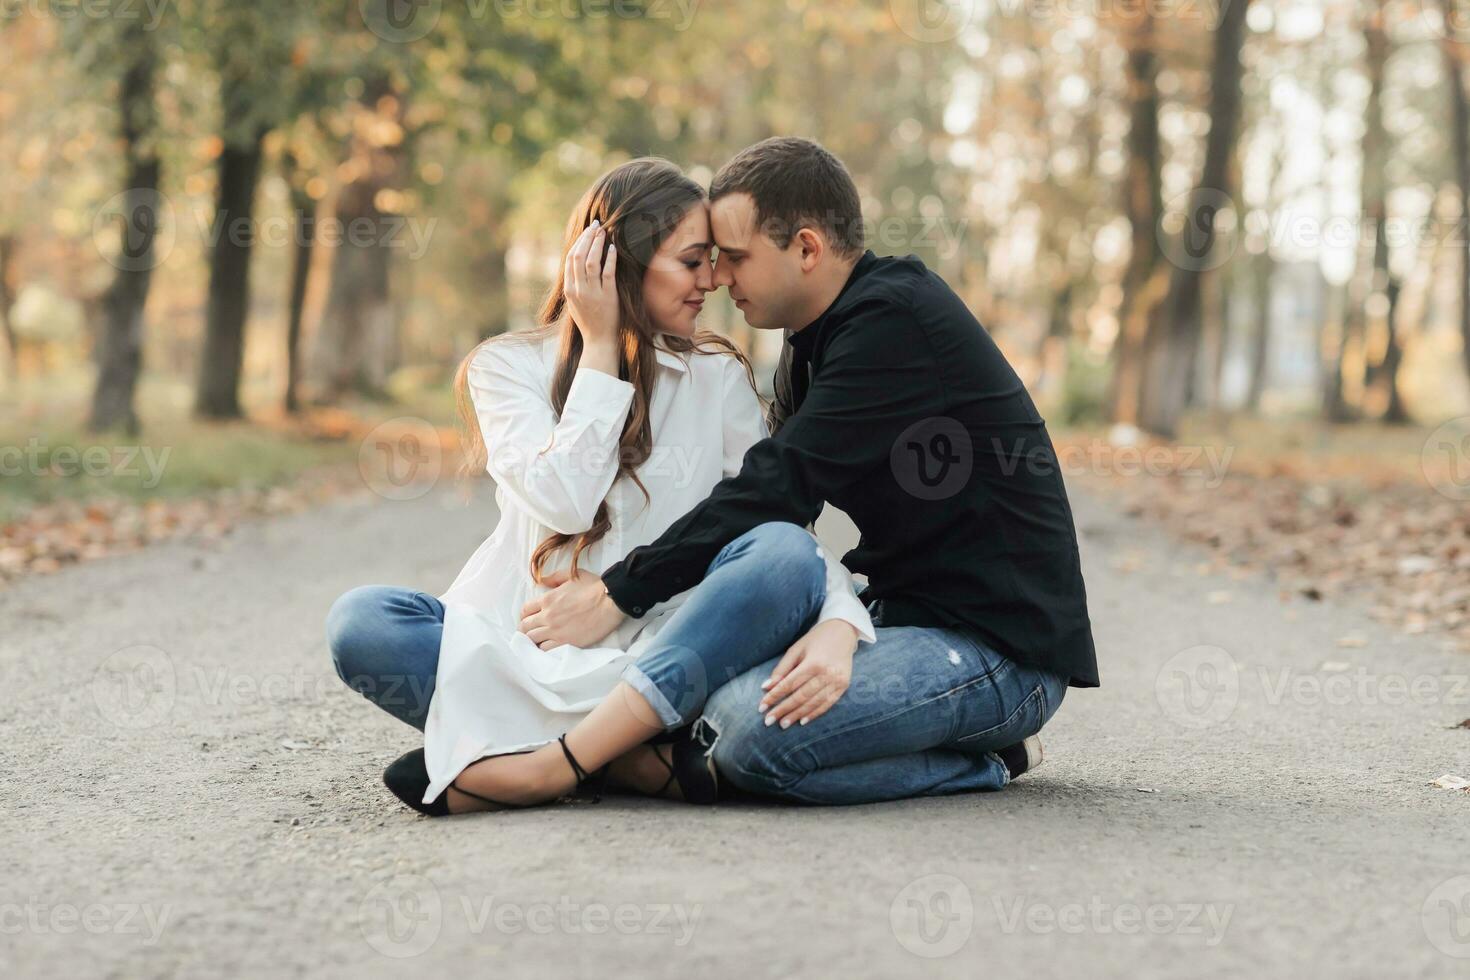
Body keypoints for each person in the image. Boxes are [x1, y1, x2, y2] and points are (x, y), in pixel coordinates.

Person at [519, 137, 1098, 805]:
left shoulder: (894, 323)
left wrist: (620, 593)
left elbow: (775, 486)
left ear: (806, 248)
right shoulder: (808, 345)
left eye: (735, 259)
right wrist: (835, 625)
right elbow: (784, 527)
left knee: (739, 731)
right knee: (719, 702)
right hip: (901, 618)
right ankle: (677, 763)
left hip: (998, 655)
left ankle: (987, 762)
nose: (717, 279)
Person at [326, 157, 875, 815]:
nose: (713, 282)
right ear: (614, 268)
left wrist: (841, 620)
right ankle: (633, 762)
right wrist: (603, 348)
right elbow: (566, 498)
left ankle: (542, 756)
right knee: (362, 624)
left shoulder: (717, 377)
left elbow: (779, 533)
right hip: (524, 657)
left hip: (663, 659)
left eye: (716, 261)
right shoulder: (506, 369)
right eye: (692, 261)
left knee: (780, 561)